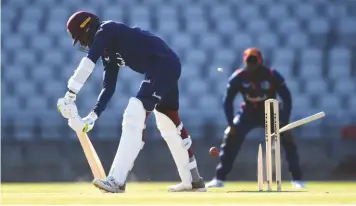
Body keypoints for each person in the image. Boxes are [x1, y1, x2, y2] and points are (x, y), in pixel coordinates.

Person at [57, 11, 206, 193]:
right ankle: (193, 181)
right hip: (165, 65)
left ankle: (117, 181)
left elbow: (89, 62)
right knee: (167, 121)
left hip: (162, 64)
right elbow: (108, 87)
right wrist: (93, 115)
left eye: (81, 38)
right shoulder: (107, 50)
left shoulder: (106, 29)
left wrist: (71, 93)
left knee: (134, 112)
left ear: (88, 28)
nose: (82, 43)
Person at [205, 48, 305, 189]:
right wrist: (230, 124)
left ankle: (297, 179)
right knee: (230, 136)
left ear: (260, 61)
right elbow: (227, 100)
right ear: (245, 61)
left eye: (254, 61)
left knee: (288, 139)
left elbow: (286, 98)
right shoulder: (239, 77)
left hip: (271, 112)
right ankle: (219, 178)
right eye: (249, 61)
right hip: (248, 112)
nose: (251, 64)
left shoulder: (272, 75)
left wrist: (285, 122)